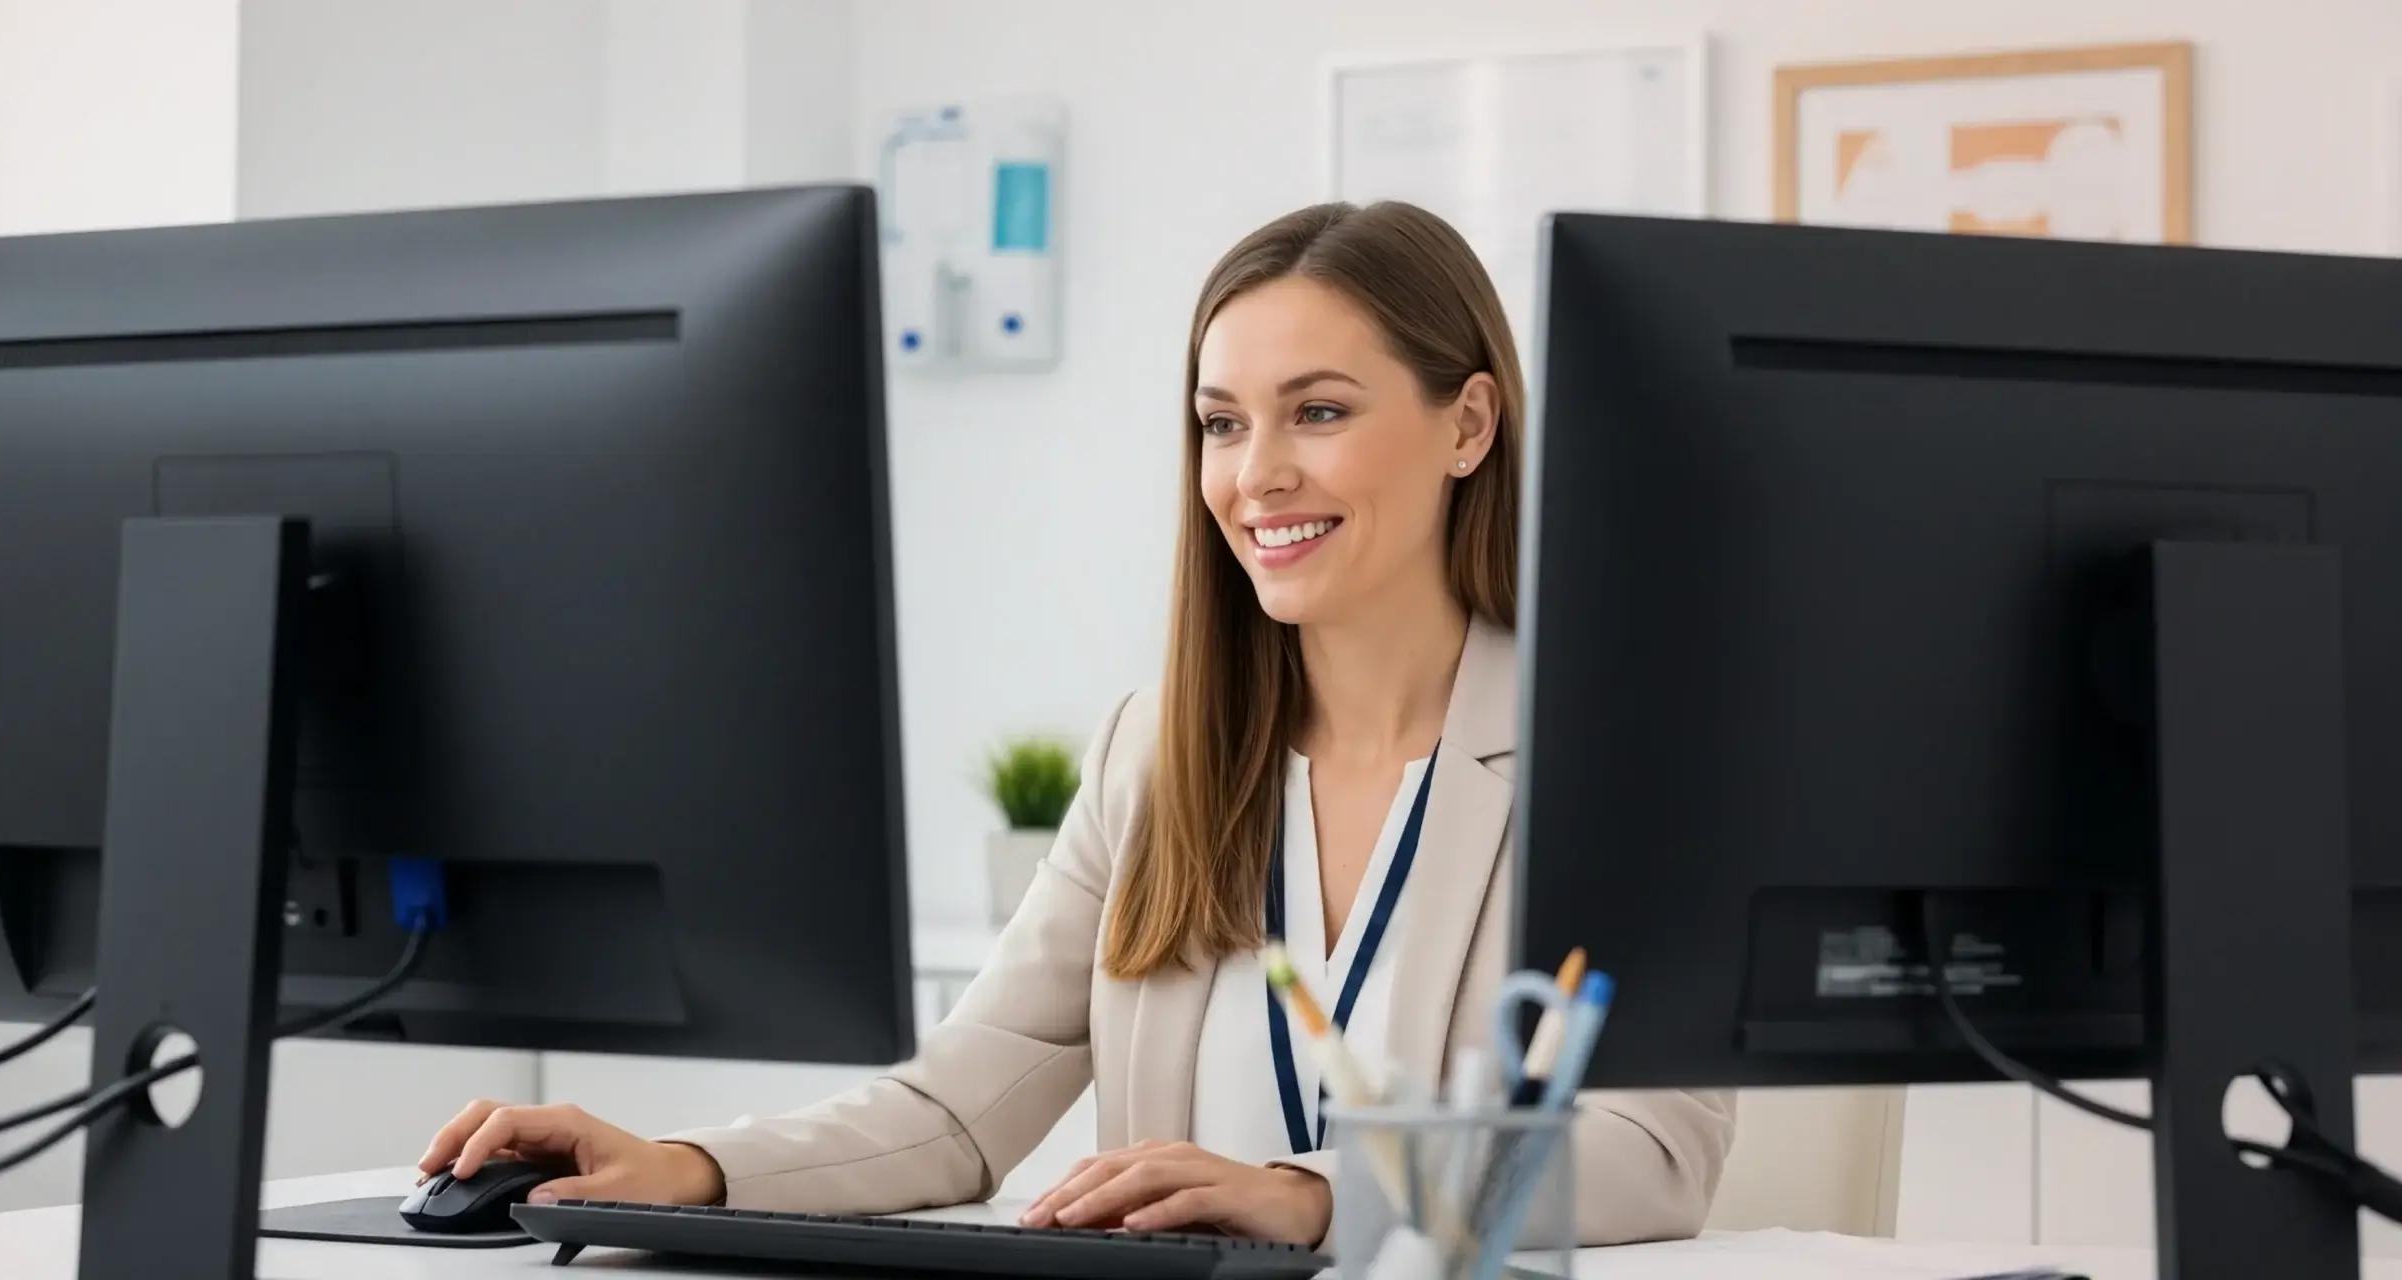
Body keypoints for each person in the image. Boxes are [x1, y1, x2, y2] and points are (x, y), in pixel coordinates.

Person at [413, 201, 1734, 1248]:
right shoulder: (1155, 757)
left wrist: (1317, 1193)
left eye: (1319, 411)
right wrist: (686, 1167)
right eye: (1222, 424)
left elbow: (1649, 1147)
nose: (1255, 472)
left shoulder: (1613, 755)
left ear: (1469, 424)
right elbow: (953, 1110)